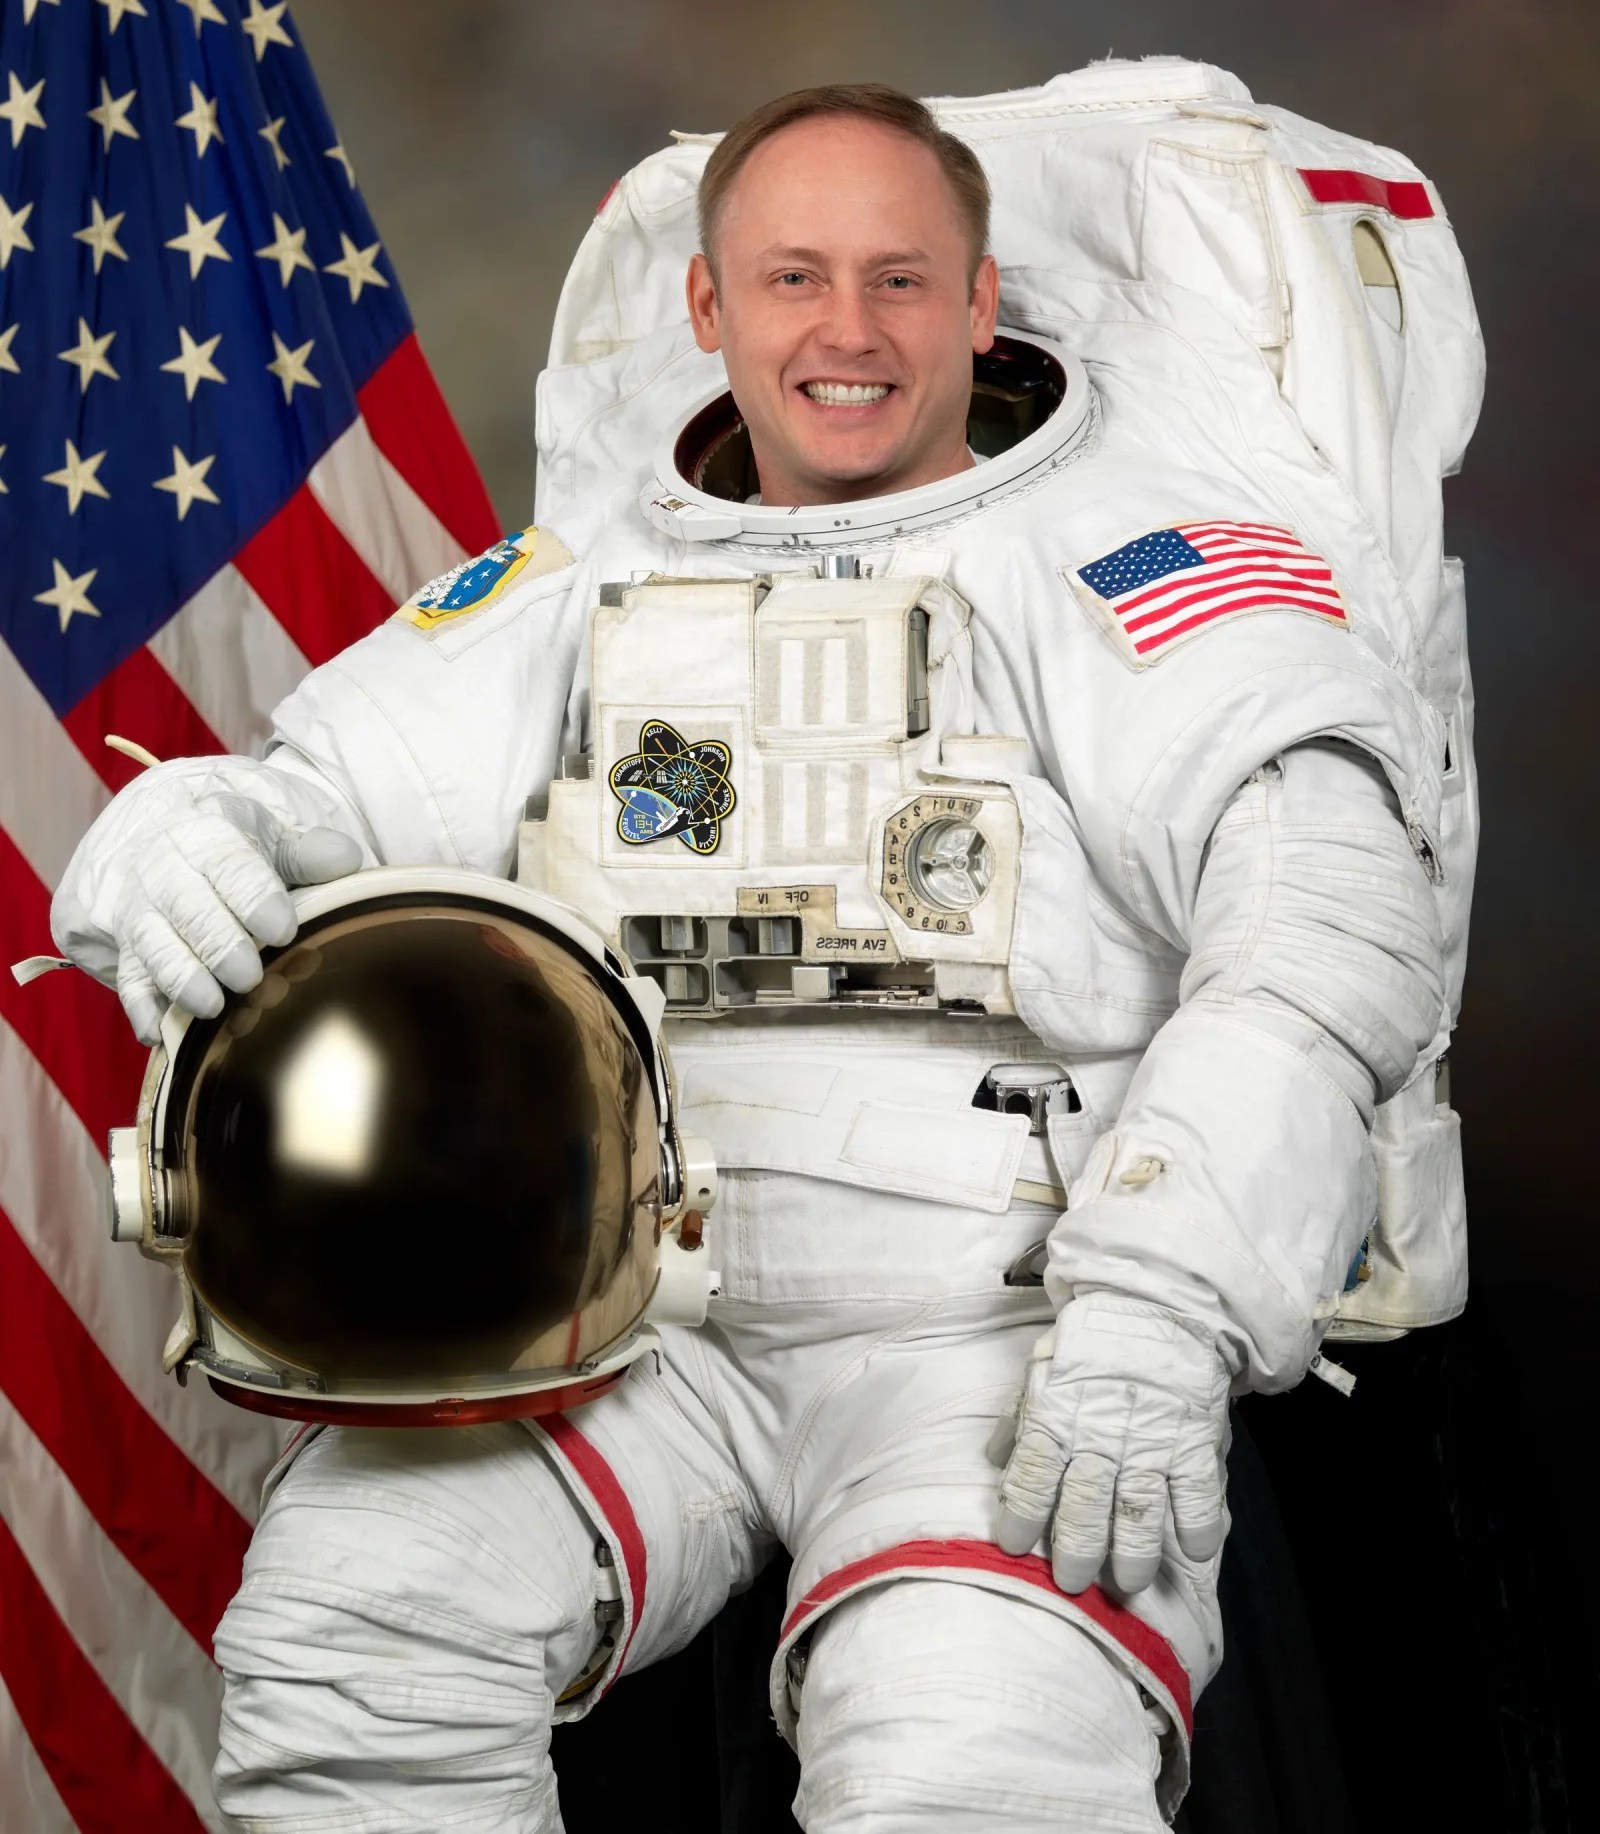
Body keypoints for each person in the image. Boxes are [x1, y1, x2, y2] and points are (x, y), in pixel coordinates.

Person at [53, 81, 1454, 1831]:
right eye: (793, 278)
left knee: (973, 1763)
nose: (846, 331)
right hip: (624, 1316)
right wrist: (177, 838)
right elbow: (317, 799)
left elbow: (1326, 933)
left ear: (982, 302)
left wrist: (1160, 1310)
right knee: (356, 1657)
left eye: (899, 280)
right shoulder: (587, 572)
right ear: (709, 310)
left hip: (1002, 1321)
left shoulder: (1140, 559)